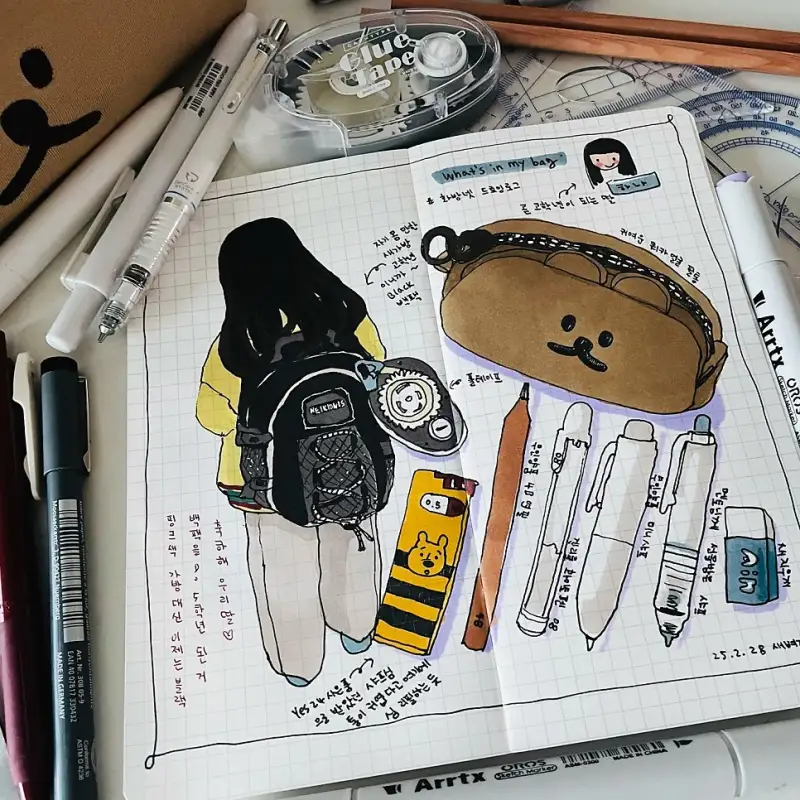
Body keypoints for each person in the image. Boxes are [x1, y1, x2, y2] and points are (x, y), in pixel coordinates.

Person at [196, 217, 387, 687]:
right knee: (351, 551)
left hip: (261, 484)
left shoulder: (237, 345)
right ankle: (357, 627)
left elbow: (212, 416)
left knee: (285, 574)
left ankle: (298, 663)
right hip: (351, 464)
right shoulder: (348, 322)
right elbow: (377, 375)